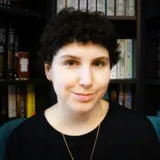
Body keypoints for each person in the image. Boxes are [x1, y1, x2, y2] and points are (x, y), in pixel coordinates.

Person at [4, 8, 160, 160]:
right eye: (71, 63)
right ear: (48, 69)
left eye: (98, 63)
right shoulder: (22, 141)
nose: (87, 81)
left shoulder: (139, 132)